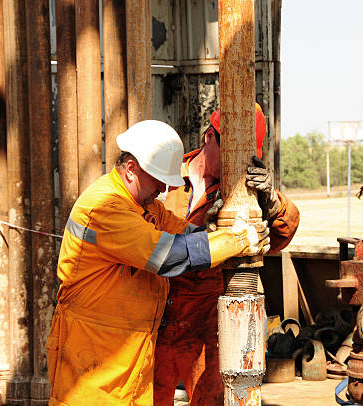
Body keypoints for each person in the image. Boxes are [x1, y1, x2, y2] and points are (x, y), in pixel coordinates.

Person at [46, 120, 270, 405]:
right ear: (131, 169)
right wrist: (236, 241)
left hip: (128, 357)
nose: (164, 187)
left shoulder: (144, 207)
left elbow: (183, 232)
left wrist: (218, 232)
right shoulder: (105, 207)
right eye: (158, 178)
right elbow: (167, 256)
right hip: (91, 359)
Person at [154, 104, 300, 405]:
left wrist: (272, 202)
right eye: (232, 152)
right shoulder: (165, 179)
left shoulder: (239, 193)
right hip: (157, 315)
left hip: (207, 320)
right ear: (210, 137)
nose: (239, 164)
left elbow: (281, 235)